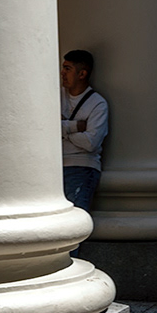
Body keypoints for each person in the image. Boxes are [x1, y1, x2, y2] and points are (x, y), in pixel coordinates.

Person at [59, 48, 107, 212]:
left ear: (82, 74)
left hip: (81, 169)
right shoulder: (57, 96)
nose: (62, 73)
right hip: (56, 168)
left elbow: (90, 142)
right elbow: (44, 129)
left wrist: (62, 128)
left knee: (75, 221)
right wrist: (74, 126)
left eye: (67, 69)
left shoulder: (98, 104)